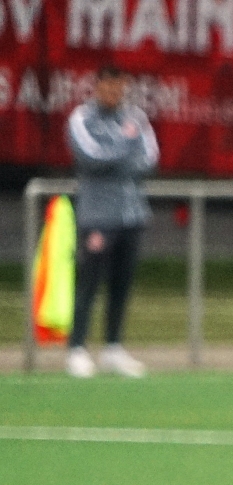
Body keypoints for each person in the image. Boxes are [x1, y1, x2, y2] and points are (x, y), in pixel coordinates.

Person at [64, 65, 157, 379]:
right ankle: (77, 348)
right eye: (108, 87)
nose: (114, 93)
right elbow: (90, 157)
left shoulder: (136, 118)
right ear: (97, 86)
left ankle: (113, 348)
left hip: (132, 214)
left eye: (119, 87)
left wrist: (118, 152)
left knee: (122, 284)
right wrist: (124, 146)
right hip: (98, 217)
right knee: (89, 282)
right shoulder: (82, 118)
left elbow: (150, 158)